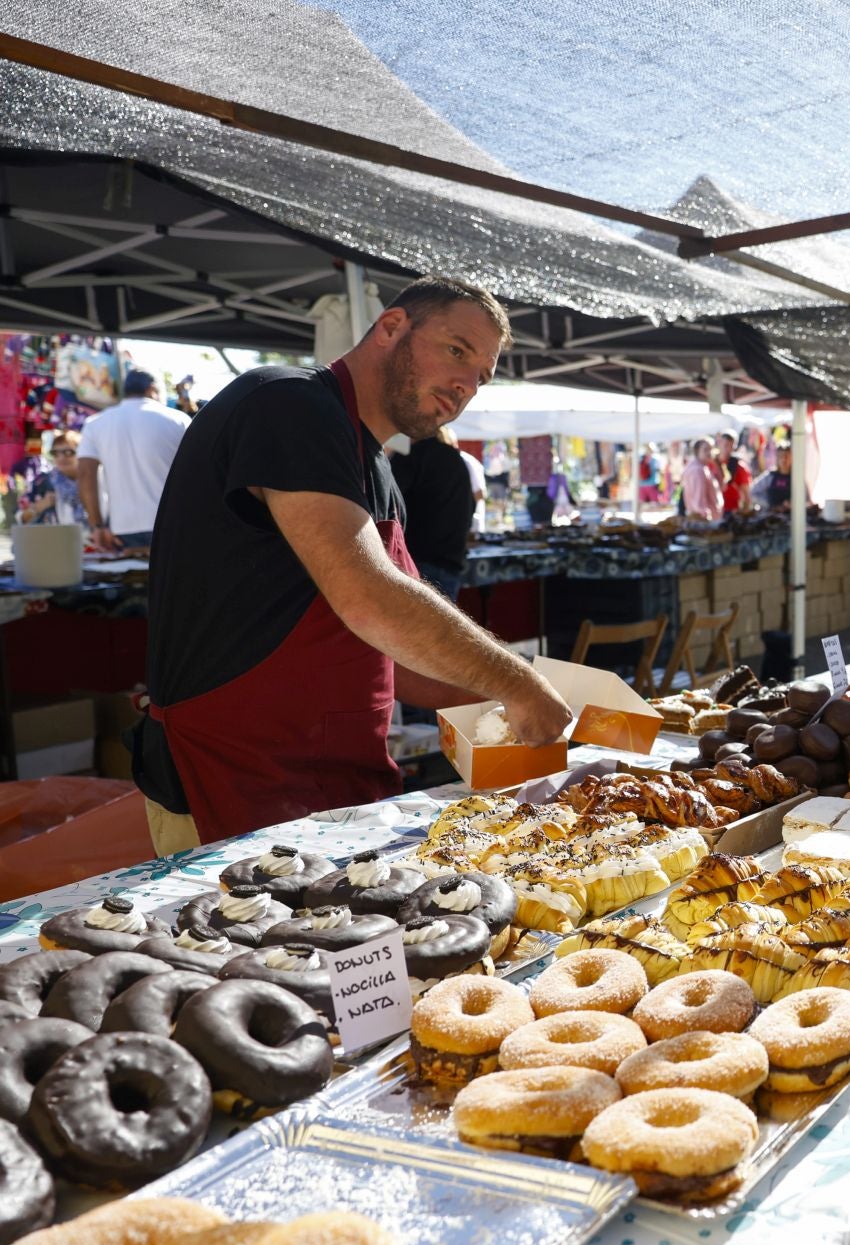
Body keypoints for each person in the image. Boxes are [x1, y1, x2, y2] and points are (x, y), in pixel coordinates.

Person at [129, 277, 573, 854]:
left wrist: (521, 712)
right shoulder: (288, 403)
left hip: (336, 788)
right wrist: (518, 682)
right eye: (457, 350)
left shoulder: (378, 472)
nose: (465, 383)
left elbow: (405, 660)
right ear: (391, 327)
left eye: (481, 376)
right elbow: (369, 595)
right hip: (233, 779)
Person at [75, 369, 190, 551]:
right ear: (152, 389)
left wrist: (97, 526)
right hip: (173, 525)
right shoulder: (179, 420)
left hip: (123, 529)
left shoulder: (95, 423)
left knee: (130, 578)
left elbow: (85, 474)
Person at [389, 425, 477, 601]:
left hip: (417, 564)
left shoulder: (412, 457)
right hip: (449, 564)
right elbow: (471, 505)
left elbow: (387, 503)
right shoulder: (454, 458)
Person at [20, 430, 86, 527]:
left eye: (68, 452)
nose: (61, 458)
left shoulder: (96, 481)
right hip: (55, 540)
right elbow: (21, 518)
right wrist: (40, 506)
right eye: (55, 453)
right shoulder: (42, 482)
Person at [680, 439, 722, 520]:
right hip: (704, 521)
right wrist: (706, 519)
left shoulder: (702, 467)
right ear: (697, 451)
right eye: (706, 450)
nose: (710, 452)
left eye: (711, 449)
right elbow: (698, 500)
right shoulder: (697, 470)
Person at [749, 442, 793, 511]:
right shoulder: (770, 476)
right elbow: (751, 492)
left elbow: (805, 499)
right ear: (777, 458)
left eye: (786, 456)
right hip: (770, 516)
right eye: (781, 456)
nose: (784, 460)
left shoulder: (795, 478)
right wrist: (769, 504)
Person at [715, 432, 751, 514]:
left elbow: (746, 492)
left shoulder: (739, 466)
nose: (727, 449)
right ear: (719, 443)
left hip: (732, 511)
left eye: (731, 446)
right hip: (714, 509)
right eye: (725, 445)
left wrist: (744, 511)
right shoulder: (710, 463)